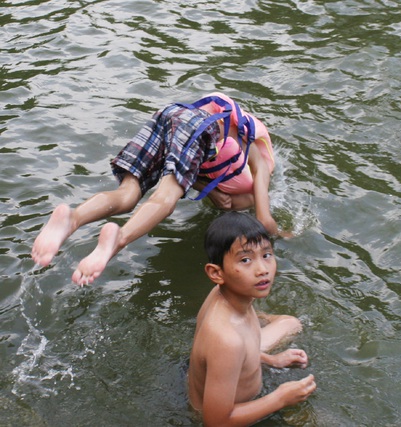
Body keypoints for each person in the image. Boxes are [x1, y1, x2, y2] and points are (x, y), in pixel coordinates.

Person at [31, 92, 281, 286]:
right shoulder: (252, 147)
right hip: (198, 126)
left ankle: (71, 219)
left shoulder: (220, 139)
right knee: (165, 198)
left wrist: (211, 190)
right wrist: (266, 220)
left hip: (169, 115)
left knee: (128, 194)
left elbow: (186, 161)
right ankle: (119, 240)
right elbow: (258, 173)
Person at [187, 212, 316, 426]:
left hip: (229, 372)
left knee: (291, 323)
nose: (262, 270)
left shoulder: (227, 295)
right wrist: (279, 398)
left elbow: (244, 348)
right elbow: (214, 422)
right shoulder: (227, 341)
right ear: (216, 273)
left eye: (266, 255)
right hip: (229, 418)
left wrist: (272, 360)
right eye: (245, 260)